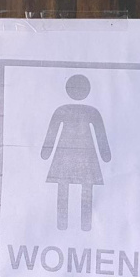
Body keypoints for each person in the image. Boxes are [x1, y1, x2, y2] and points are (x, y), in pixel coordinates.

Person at [41, 74, 111, 231]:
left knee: (67, 187)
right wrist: (105, 154)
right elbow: (100, 135)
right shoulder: (89, 111)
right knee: (81, 187)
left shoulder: (64, 110)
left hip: (70, 155)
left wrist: (46, 152)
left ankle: (67, 225)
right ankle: (79, 225)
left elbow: (52, 133)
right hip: (77, 155)